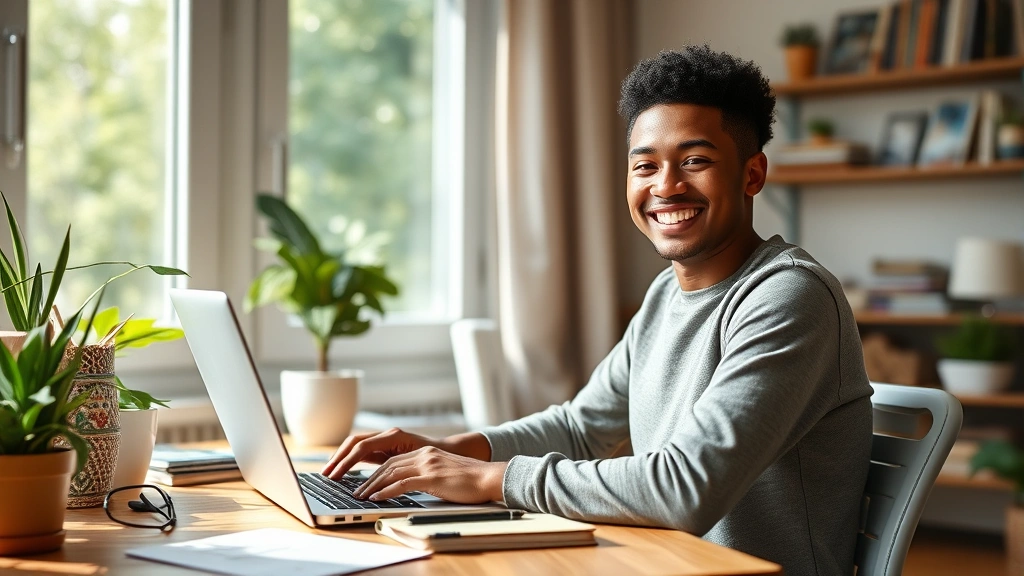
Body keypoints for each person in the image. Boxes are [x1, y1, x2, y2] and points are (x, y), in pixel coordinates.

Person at [322, 45, 873, 575]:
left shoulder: (789, 297)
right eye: (645, 166)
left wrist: (490, 478)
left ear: (752, 174)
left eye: (696, 161)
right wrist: (449, 451)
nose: (667, 186)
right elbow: (583, 428)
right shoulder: (665, 295)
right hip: (658, 564)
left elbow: (686, 489)